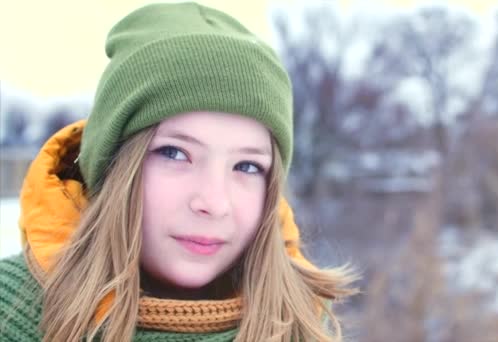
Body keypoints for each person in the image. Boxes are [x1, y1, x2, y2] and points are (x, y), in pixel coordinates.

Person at [0, 3, 358, 341]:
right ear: (113, 166)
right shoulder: (13, 313)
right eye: (175, 153)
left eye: (247, 166)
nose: (213, 202)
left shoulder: (302, 323)